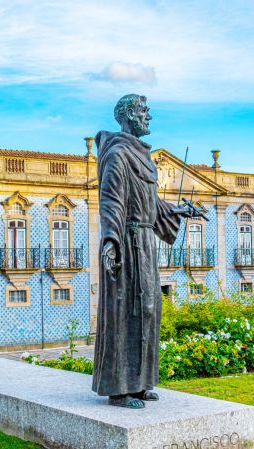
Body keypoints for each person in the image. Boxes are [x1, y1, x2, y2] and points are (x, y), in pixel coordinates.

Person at [92, 94, 197, 409]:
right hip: (129, 243)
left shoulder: (141, 156)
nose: (148, 115)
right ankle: (119, 388)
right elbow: (111, 199)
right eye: (142, 110)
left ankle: (139, 383)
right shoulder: (118, 155)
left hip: (146, 244)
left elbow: (149, 204)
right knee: (126, 311)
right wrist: (111, 241)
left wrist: (178, 210)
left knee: (148, 310)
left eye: (147, 109)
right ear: (127, 116)